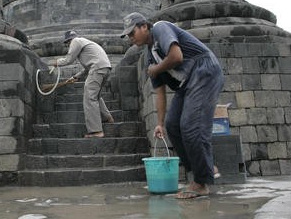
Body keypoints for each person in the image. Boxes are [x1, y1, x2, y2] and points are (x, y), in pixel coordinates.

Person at [121, 12, 224, 199]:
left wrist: (155, 69)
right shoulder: (150, 56)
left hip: (204, 70)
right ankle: (204, 169)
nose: (130, 38)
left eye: (132, 32)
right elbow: (159, 92)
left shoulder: (160, 28)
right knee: (173, 126)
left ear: (144, 26)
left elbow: (176, 56)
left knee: (190, 126)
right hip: (187, 83)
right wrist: (159, 123)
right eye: (127, 35)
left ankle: (201, 183)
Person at [52, 30, 114, 138]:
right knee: (95, 96)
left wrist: (57, 62)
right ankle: (107, 118)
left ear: (68, 41)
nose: (68, 46)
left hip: (97, 68)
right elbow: (87, 68)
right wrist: (76, 77)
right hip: (105, 68)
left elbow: (69, 59)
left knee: (89, 96)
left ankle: (96, 131)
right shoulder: (84, 42)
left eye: (67, 44)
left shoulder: (75, 41)